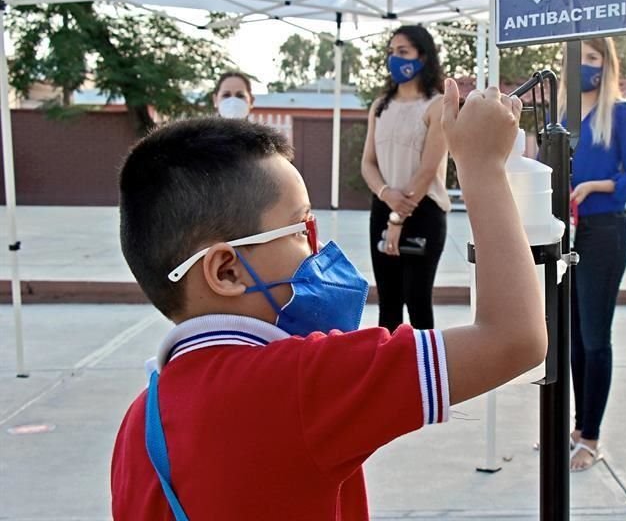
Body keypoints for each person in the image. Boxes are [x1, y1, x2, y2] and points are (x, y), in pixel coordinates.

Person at [110, 81, 544, 519]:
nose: (317, 249)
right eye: (300, 230)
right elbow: (513, 337)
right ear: (227, 271)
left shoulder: (140, 420)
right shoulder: (300, 384)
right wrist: (482, 167)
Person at [560, 37, 626, 472]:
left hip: (605, 231)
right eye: (579, 56)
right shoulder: (562, 115)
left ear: (607, 65)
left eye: (593, 58)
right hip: (567, 233)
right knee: (574, 337)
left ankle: (592, 438)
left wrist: (597, 187)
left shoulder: (621, 114)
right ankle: (578, 428)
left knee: (596, 338)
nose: (585, 65)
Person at [360, 25, 450, 331]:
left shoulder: (437, 106)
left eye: (403, 52)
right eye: (391, 52)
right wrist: (386, 195)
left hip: (423, 210)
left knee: (417, 301)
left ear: (422, 57)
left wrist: (397, 220)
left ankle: (427, 376)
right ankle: (391, 376)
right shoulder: (380, 105)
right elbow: (368, 164)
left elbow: (427, 170)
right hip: (384, 205)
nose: (394, 59)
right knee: (389, 305)